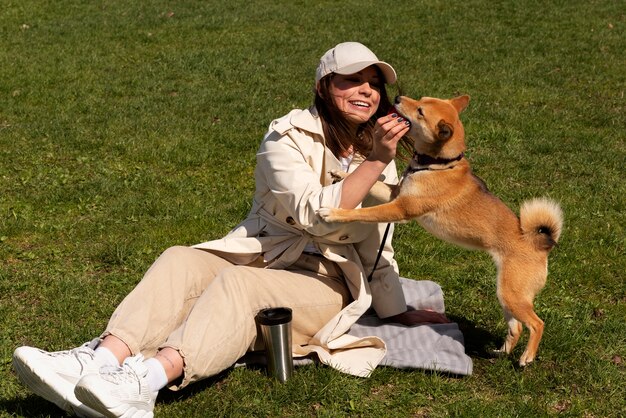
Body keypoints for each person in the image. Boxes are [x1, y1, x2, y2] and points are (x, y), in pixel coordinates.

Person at [12, 41, 449, 418]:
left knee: (239, 286)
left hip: (328, 279)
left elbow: (378, 242)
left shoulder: (382, 153)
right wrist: (375, 160)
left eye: (374, 83)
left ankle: (143, 383)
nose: (366, 91)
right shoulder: (286, 137)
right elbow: (313, 214)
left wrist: (395, 309)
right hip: (267, 249)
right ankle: (97, 363)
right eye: (351, 80)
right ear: (323, 86)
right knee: (180, 258)